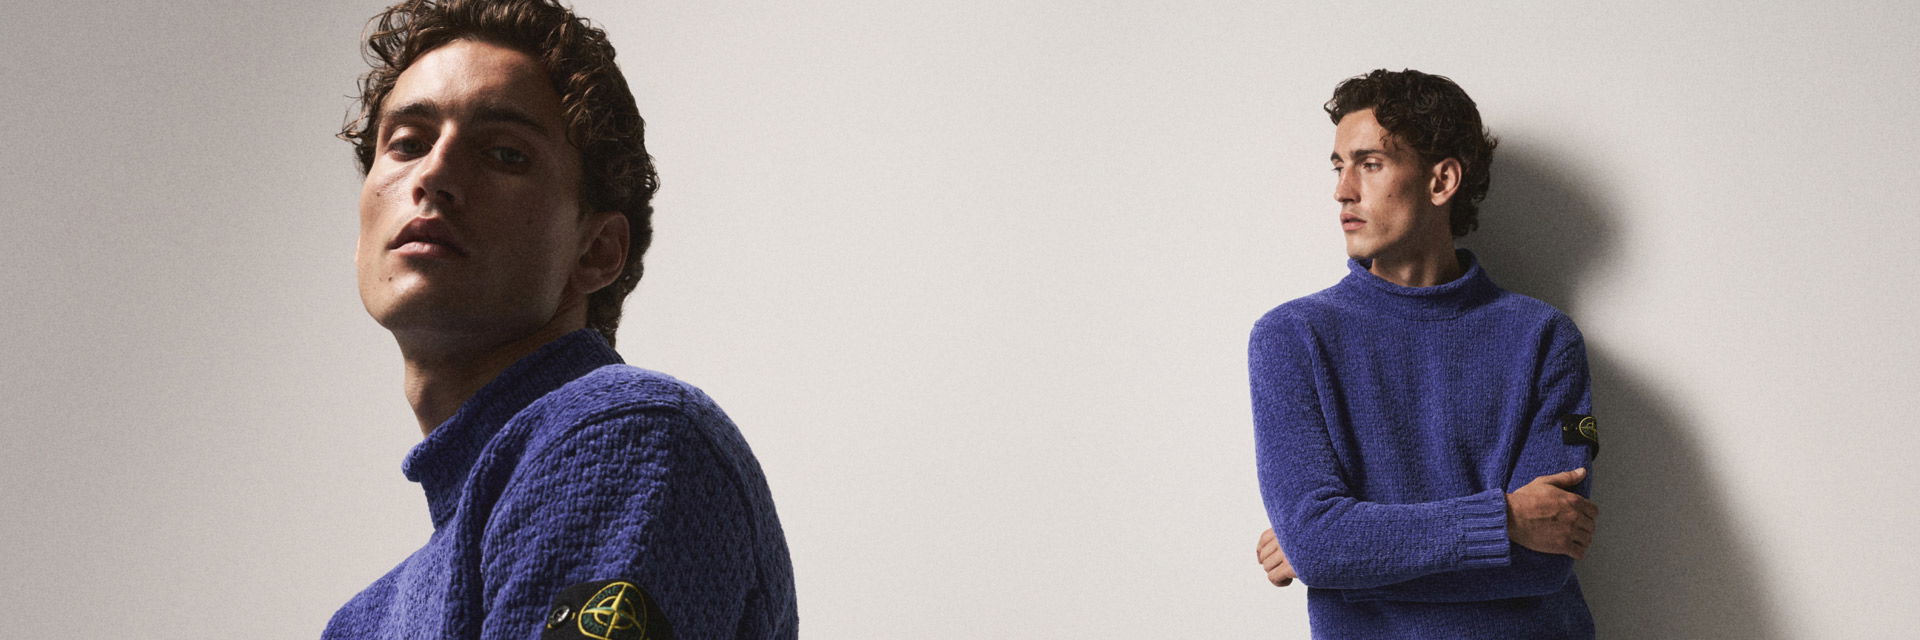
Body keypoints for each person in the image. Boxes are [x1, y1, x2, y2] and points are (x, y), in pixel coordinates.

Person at [322, 1, 796, 637]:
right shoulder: (360, 622)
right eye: (407, 143)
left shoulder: (622, 433)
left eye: (505, 154)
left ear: (596, 251)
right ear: (360, 234)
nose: (433, 174)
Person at [1248, 69, 1601, 638]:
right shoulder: (1291, 338)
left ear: (1441, 181)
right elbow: (1318, 544)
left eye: (1370, 164)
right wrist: (1502, 519)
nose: (1342, 190)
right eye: (1339, 167)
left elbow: (1548, 556)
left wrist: (1345, 558)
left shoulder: (1546, 338)